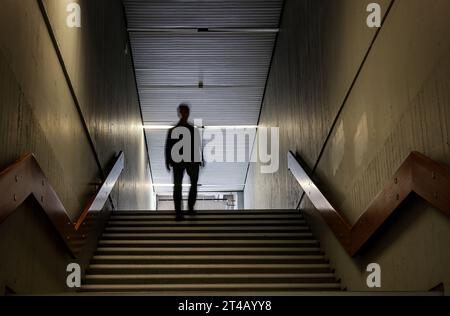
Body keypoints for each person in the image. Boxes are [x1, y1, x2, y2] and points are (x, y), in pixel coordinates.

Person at [165, 104, 202, 220]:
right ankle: (179, 212)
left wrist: (199, 159)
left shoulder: (192, 130)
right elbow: (168, 146)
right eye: (182, 112)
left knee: (193, 185)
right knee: (177, 187)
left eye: (186, 112)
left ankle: (189, 208)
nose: (184, 114)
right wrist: (168, 160)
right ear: (179, 113)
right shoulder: (173, 131)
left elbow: (197, 145)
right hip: (179, 161)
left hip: (190, 161)